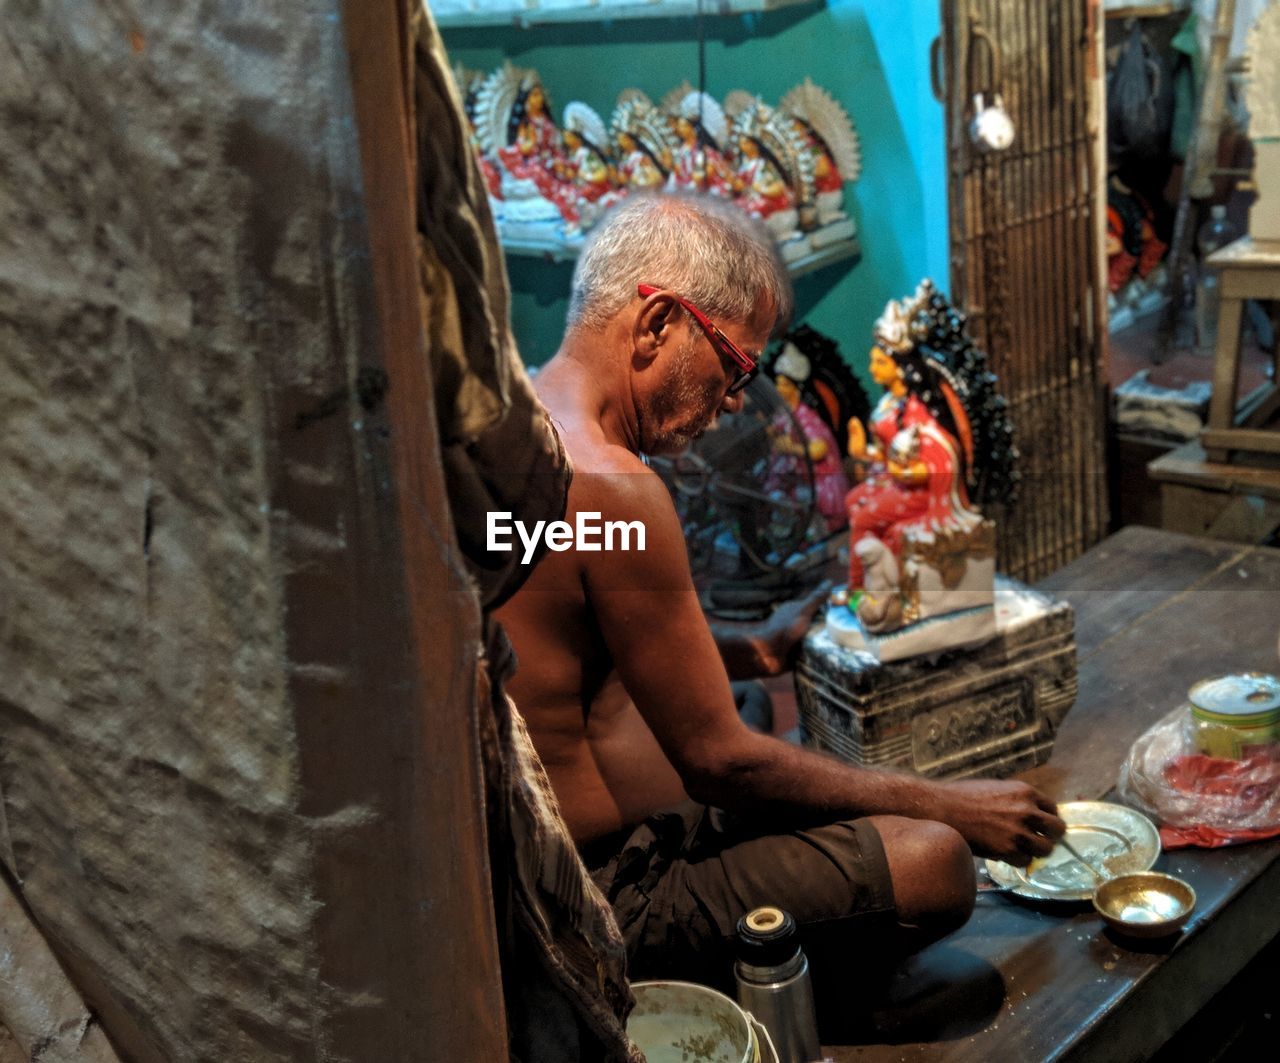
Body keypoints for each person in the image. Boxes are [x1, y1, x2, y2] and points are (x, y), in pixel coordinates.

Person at [495, 193, 1064, 993]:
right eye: (734, 365)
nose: (735, 402)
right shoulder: (615, 487)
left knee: (755, 704)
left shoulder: (519, 422)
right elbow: (720, 762)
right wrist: (953, 806)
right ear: (657, 322)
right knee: (934, 861)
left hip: (574, 845)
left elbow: (571, 615)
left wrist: (744, 648)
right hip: (603, 894)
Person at [843, 289, 983, 592]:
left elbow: (940, 461)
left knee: (864, 520)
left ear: (900, 369)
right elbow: (886, 456)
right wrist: (861, 451)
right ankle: (878, 579)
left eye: (879, 363)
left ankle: (858, 589)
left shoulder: (918, 413)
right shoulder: (888, 406)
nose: (872, 369)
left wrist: (904, 473)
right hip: (893, 481)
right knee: (853, 500)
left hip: (918, 492)